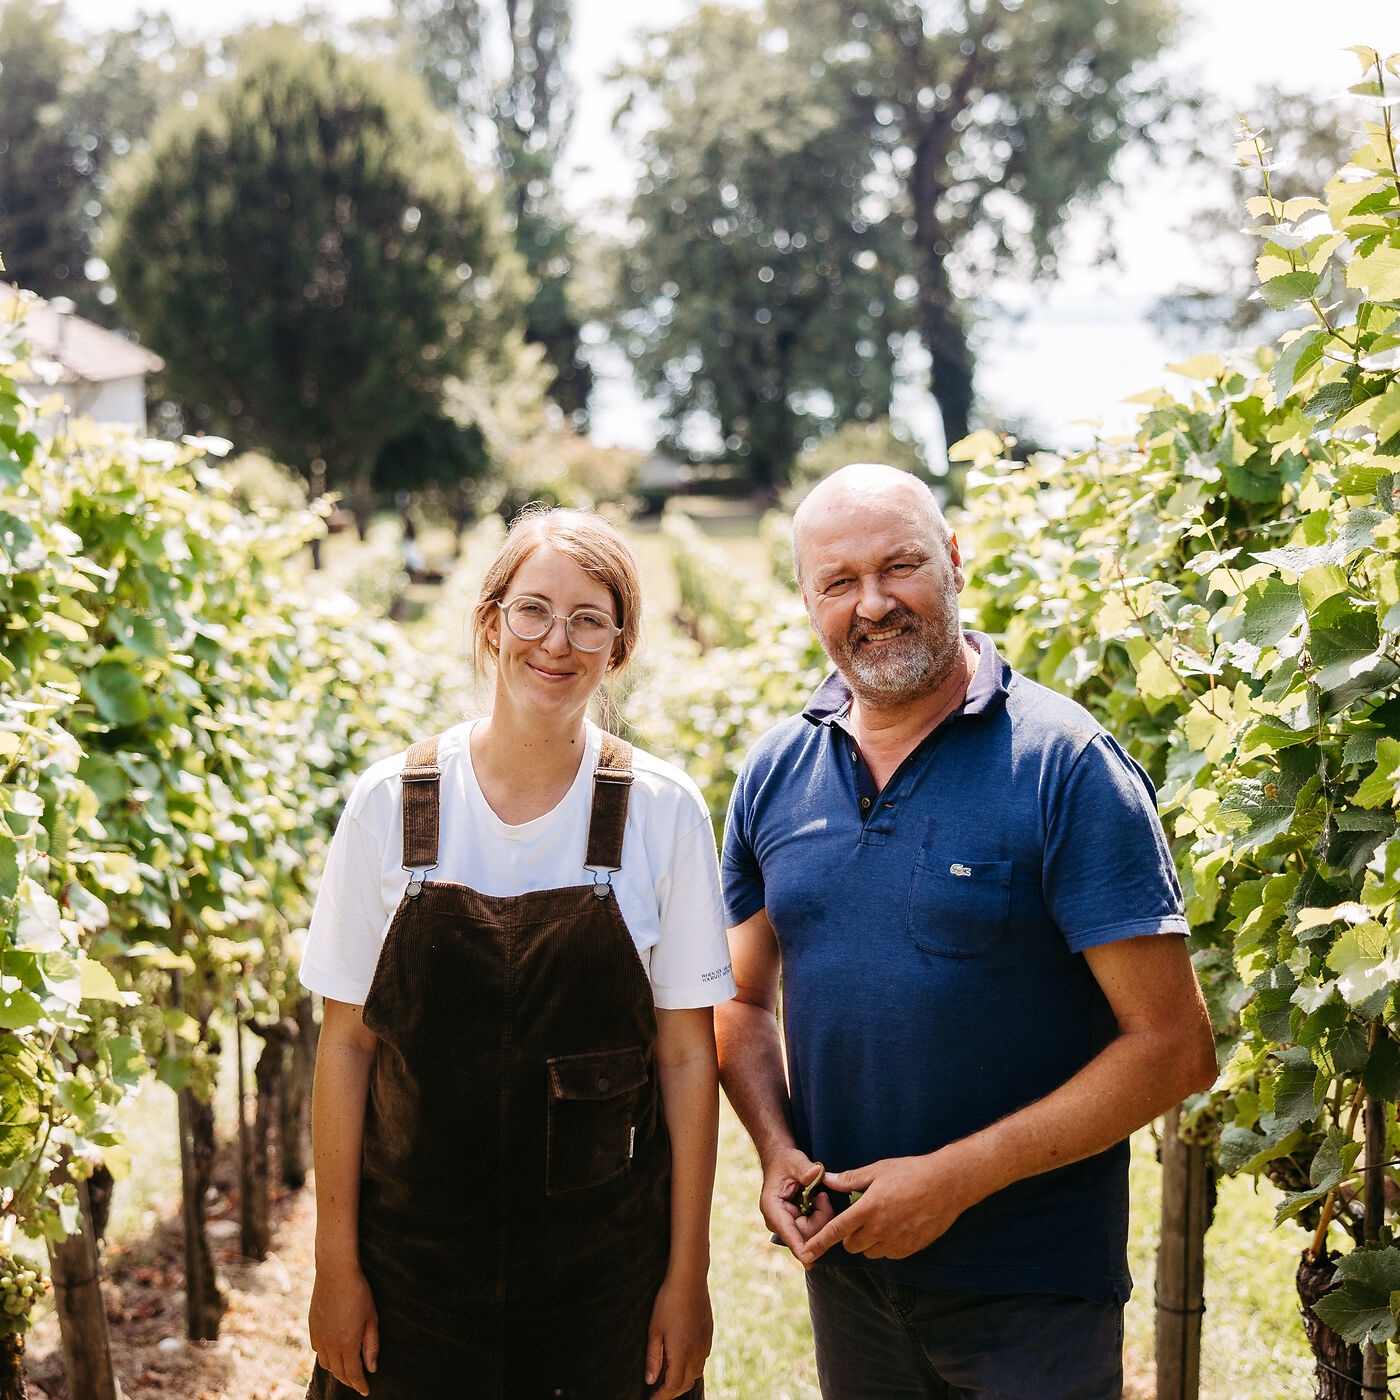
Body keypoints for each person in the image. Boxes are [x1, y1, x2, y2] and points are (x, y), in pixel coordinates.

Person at [716, 463, 1217, 1399]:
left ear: (953, 561)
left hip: (1032, 1293)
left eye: (900, 566)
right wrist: (774, 1146)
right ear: (806, 599)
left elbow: (1176, 1048)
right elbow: (742, 1000)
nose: (873, 604)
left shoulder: (1065, 767)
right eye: (838, 582)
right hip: (851, 1277)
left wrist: (953, 1179)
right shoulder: (775, 772)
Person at [301, 507, 735, 1399]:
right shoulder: (392, 804)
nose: (557, 641)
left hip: (603, 1283)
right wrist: (334, 1270)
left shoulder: (662, 811)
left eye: (589, 619)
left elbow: (689, 1058)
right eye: (534, 610)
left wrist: (685, 1279)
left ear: (618, 647)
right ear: (491, 622)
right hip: (410, 1276)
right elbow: (345, 1048)